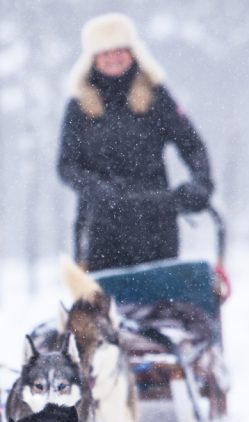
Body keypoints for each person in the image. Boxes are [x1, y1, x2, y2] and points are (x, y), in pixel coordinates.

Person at [58, 13, 215, 272]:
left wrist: (201, 183)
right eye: (104, 52)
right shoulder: (78, 108)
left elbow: (192, 145)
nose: (112, 57)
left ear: (133, 52)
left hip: (156, 220)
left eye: (119, 50)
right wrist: (96, 189)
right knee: (101, 306)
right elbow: (66, 166)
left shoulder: (157, 98)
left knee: (162, 302)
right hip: (100, 226)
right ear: (92, 59)